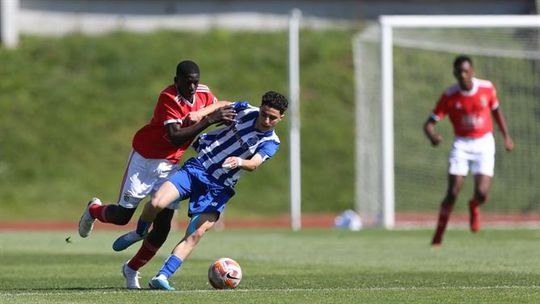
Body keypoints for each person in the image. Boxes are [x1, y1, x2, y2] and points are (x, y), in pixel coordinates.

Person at [78, 60, 237, 283]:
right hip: (144, 159)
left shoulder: (203, 93)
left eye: (195, 82)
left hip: (170, 164)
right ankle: (93, 210)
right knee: (123, 217)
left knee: (162, 228)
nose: (192, 87)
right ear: (176, 81)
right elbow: (175, 136)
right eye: (187, 82)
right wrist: (209, 120)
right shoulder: (168, 98)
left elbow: (223, 105)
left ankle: (132, 269)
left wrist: (225, 117)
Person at [113, 91, 288, 290]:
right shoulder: (247, 111)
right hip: (198, 168)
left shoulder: (271, 142)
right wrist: (200, 113)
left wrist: (240, 161)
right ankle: (139, 232)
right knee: (156, 203)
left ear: (281, 117)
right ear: (260, 107)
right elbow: (223, 103)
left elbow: (254, 163)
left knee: (196, 233)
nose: (266, 120)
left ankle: (162, 276)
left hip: (219, 187)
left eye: (272, 118)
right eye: (264, 114)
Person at [424, 55, 514, 246]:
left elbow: (497, 111)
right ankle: (438, 234)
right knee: (453, 191)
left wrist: (506, 136)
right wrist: (433, 136)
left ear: (472, 71)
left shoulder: (487, 88)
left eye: (466, 71)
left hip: (484, 143)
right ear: (454, 73)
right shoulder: (449, 95)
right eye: (459, 71)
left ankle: (474, 205)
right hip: (462, 144)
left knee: (481, 192)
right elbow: (429, 124)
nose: (463, 75)